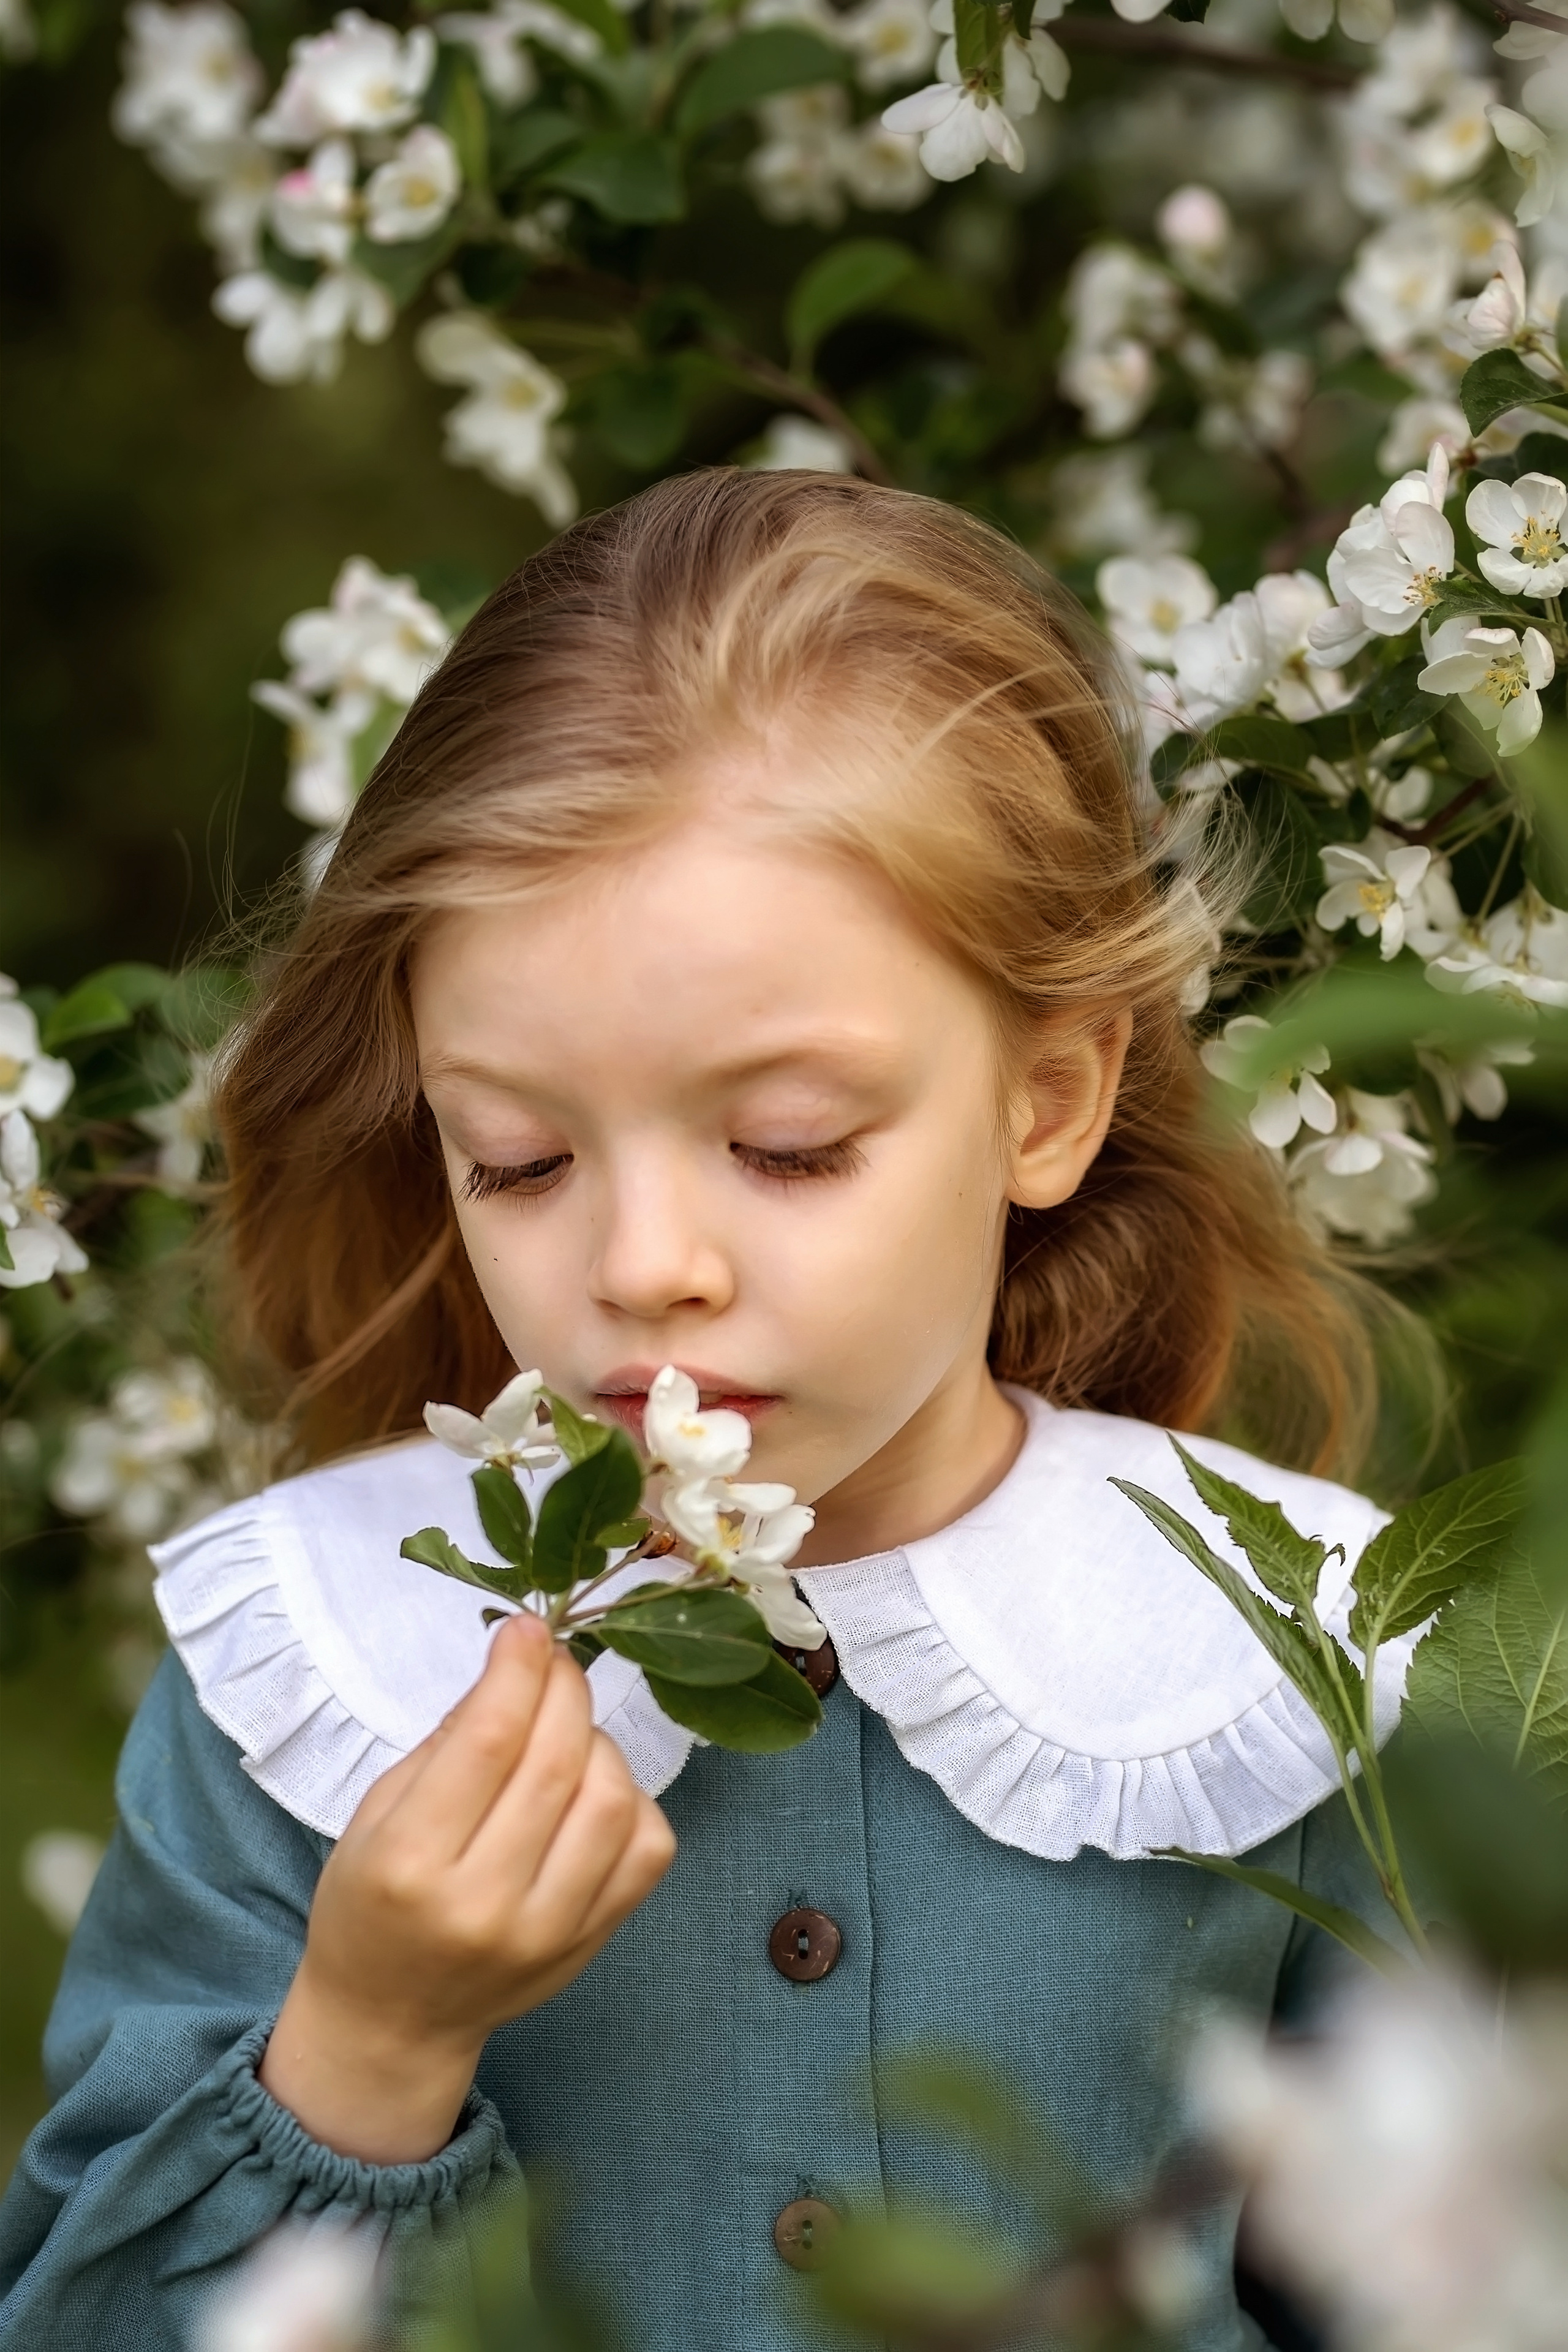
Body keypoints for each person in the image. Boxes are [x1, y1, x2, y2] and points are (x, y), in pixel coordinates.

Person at [0, 471, 1411, 2351]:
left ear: (1047, 1104)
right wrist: (372, 2038)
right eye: (516, 1160)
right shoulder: (316, 1672)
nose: (644, 1262)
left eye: (785, 1147)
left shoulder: (1281, 1657)